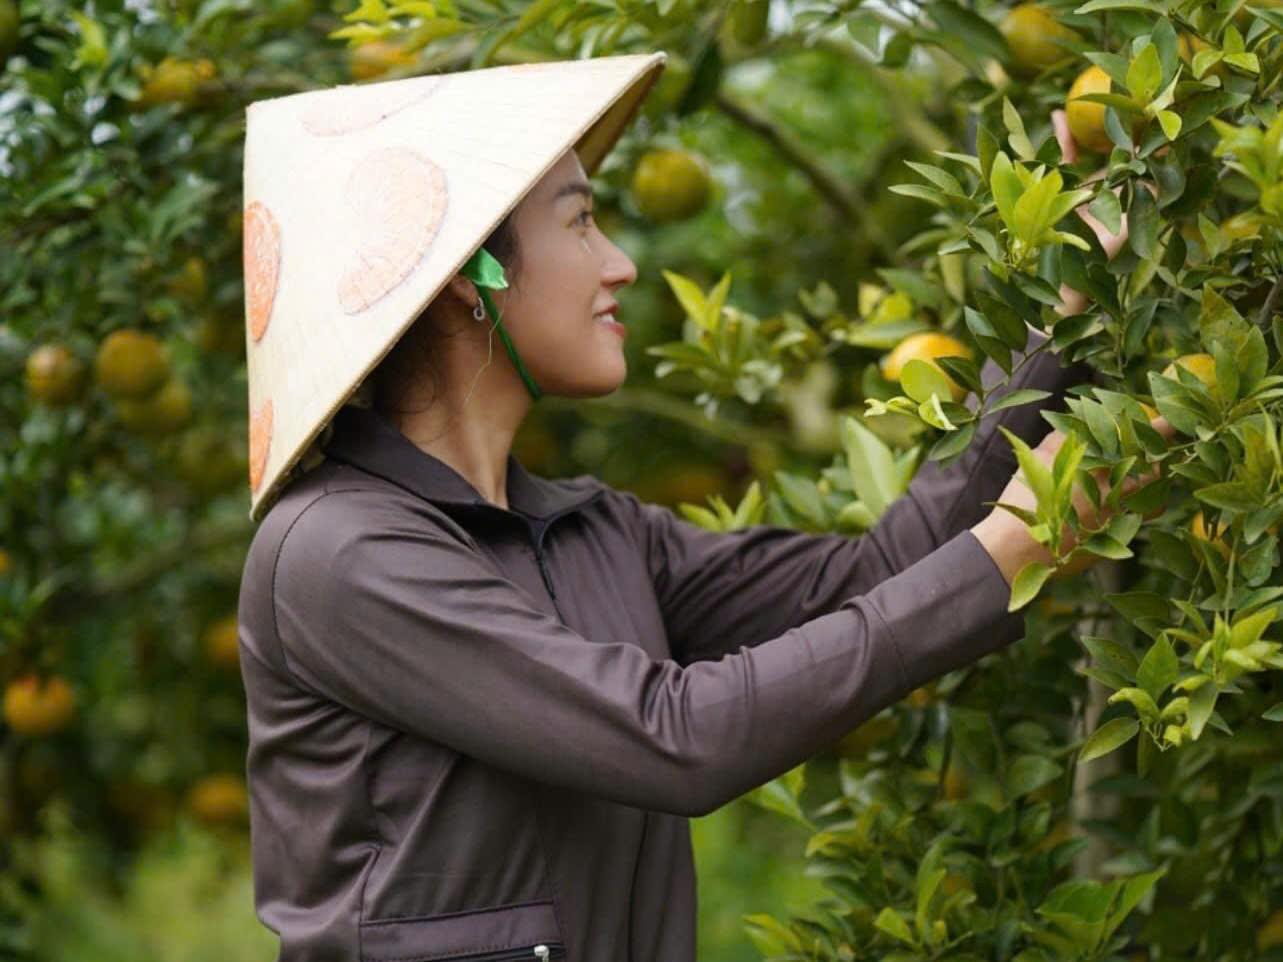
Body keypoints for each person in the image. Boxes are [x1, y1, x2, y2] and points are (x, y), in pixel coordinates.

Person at [235, 52, 1169, 961]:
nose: (621, 265)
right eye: (581, 223)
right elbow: (677, 737)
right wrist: (1005, 554)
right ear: (461, 282)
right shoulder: (337, 552)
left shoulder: (593, 532)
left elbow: (877, 572)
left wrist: (1066, 305)